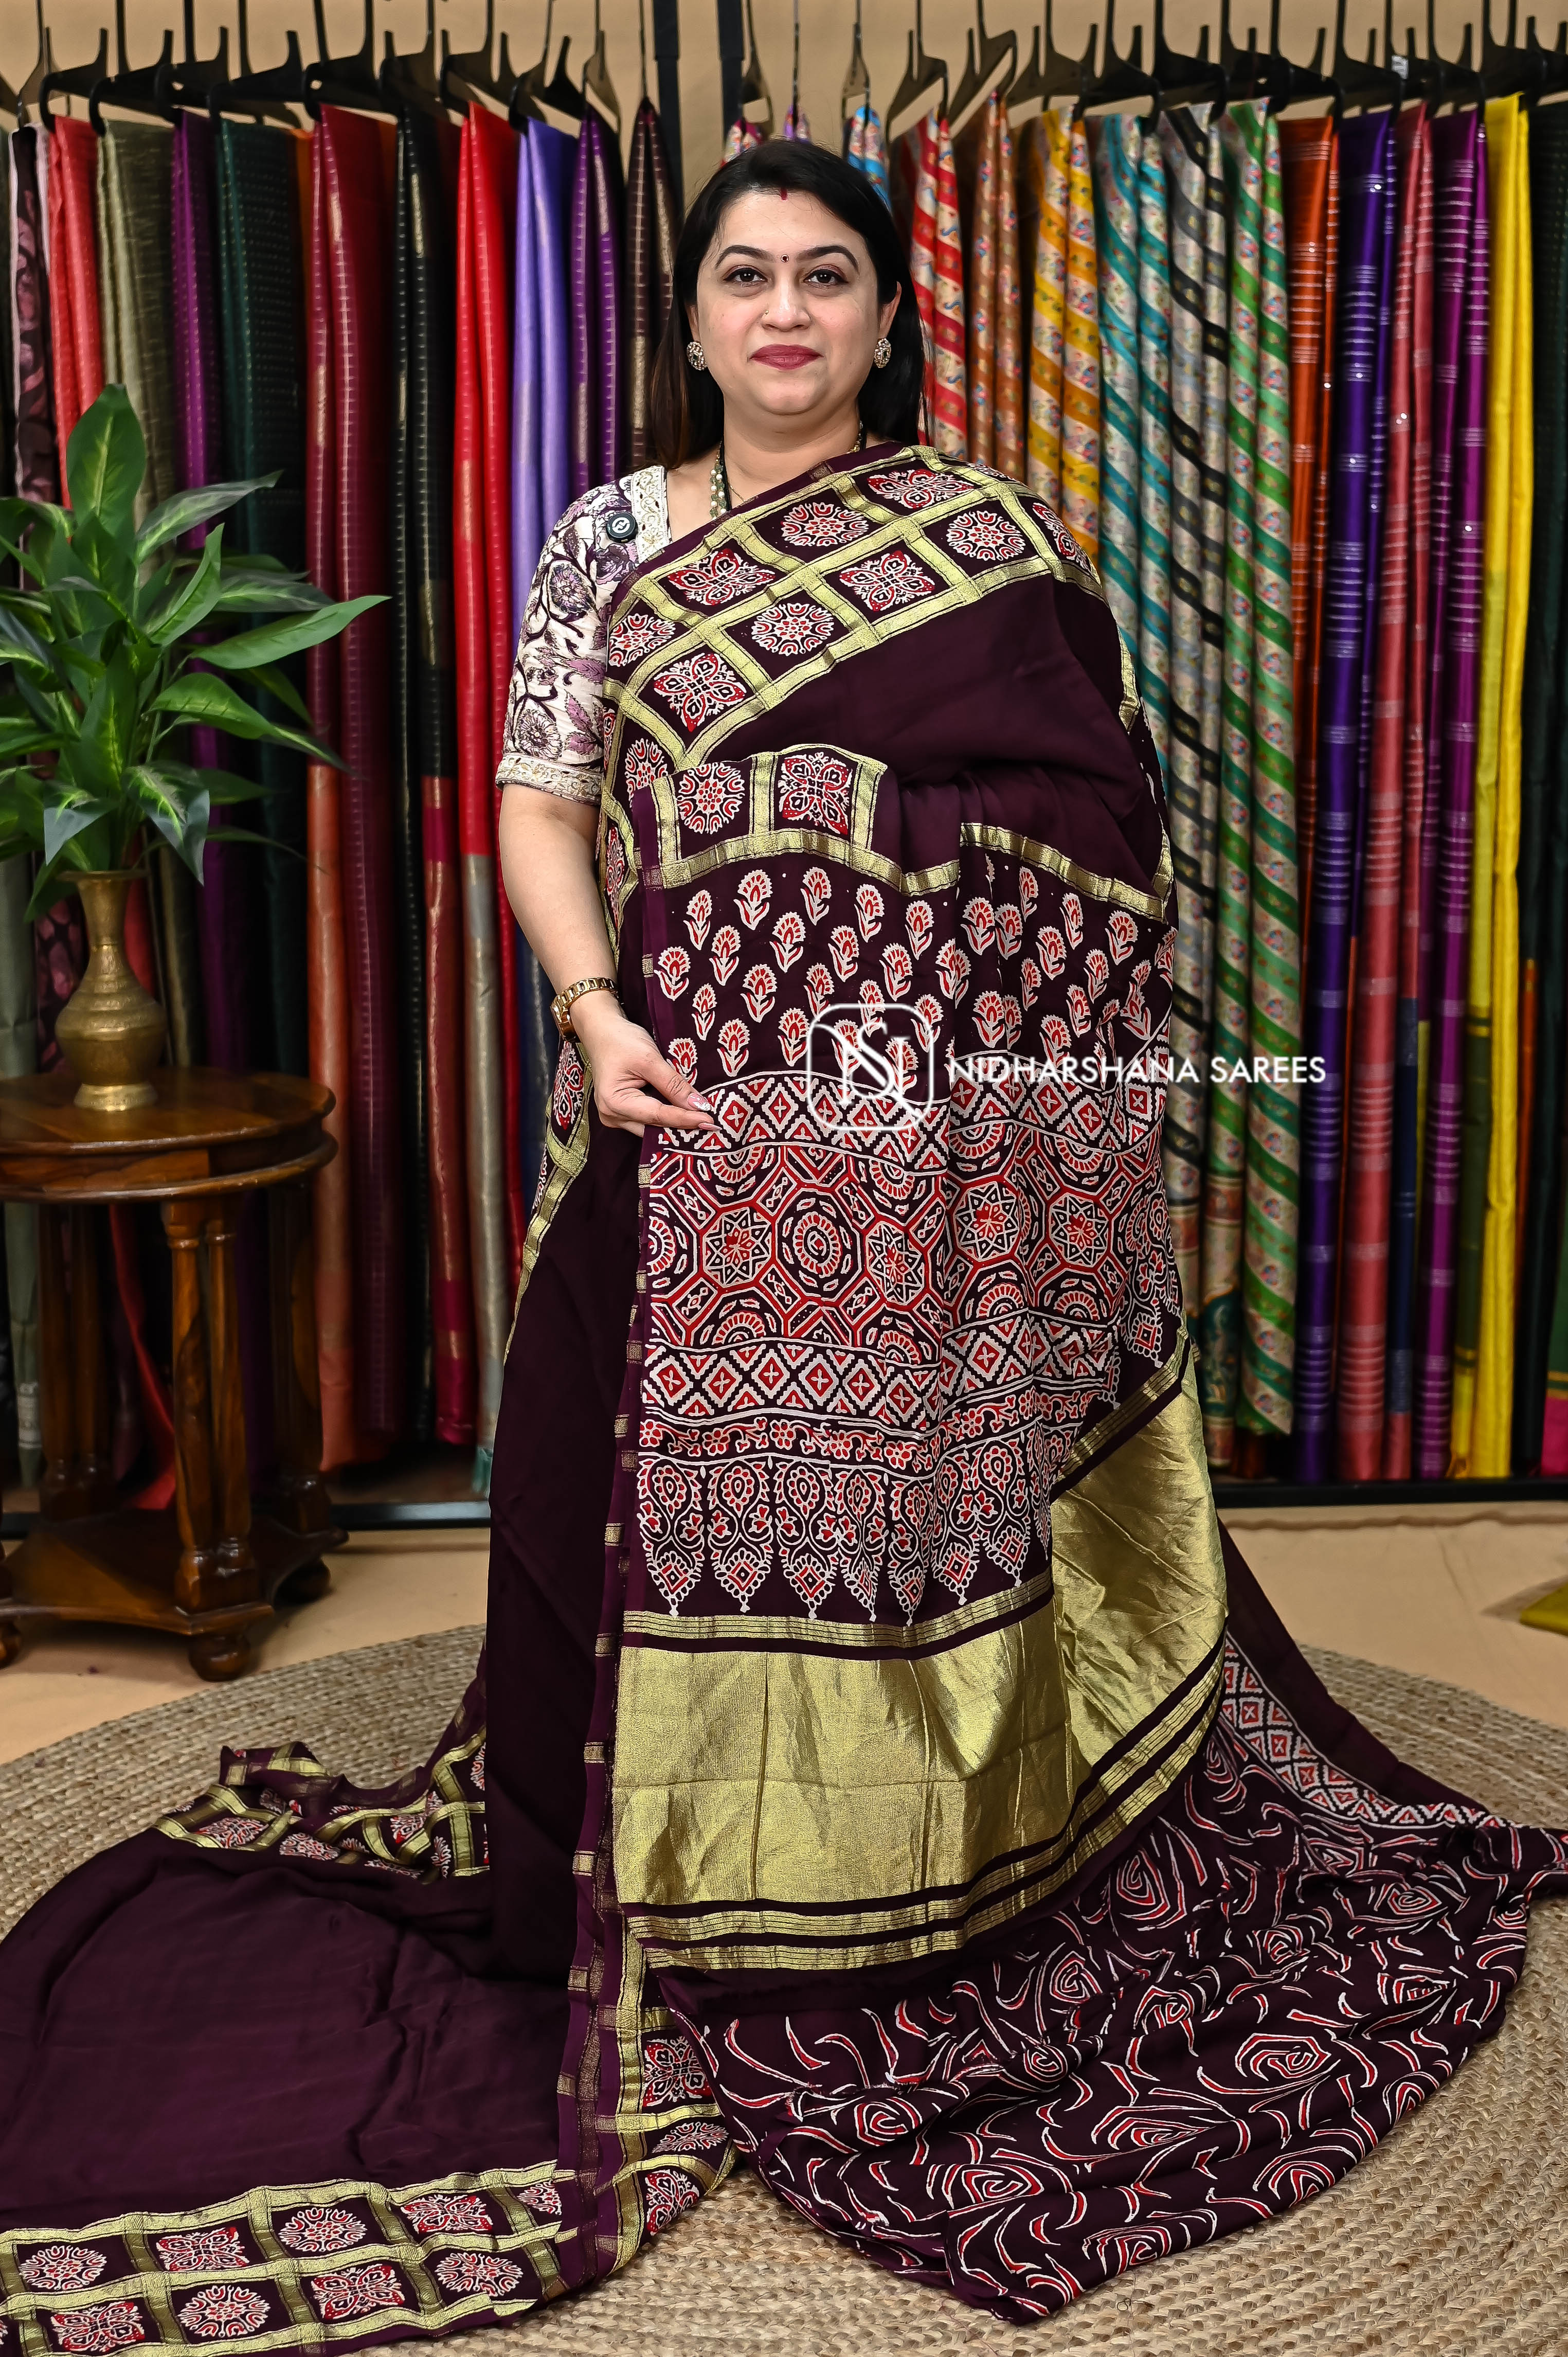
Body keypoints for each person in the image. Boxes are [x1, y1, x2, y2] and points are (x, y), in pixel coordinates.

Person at [0, 139, 1561, 2349]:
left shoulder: (988, 536)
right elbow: (541, 798)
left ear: (888, 317)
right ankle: (661, 1879)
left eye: (828, 276)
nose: (786, 315)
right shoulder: (606, 541)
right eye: (745, 276)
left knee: (911, 1505)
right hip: (677, 1101)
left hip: (925, 1143)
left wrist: (854, 845)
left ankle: (910, 1861)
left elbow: (1105, 825)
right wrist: (593, 1007)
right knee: (608, 1500)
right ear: (694, 314)